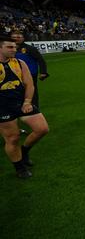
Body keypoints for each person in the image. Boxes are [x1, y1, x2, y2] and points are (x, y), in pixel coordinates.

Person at [0, 36, 50, 178]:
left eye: (14, 47)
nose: (14, 49)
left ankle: (25, 151)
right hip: (3, 106)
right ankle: (19, 167)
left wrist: (27, 101)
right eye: (10, 47)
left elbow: (29, 84)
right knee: (12, 138)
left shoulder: (20, 63)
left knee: (42, 129)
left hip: (21, 102)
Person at [10, 31, 49, 109]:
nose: (16, 39)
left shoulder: (30, 48)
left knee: (31, 91)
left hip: (30, 74)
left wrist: (43, 72)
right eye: (14, 37)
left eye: (18, 37)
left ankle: (34, 107)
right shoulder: (8, 49)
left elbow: (40, 60)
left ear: (23, 38)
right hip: (13, 75)